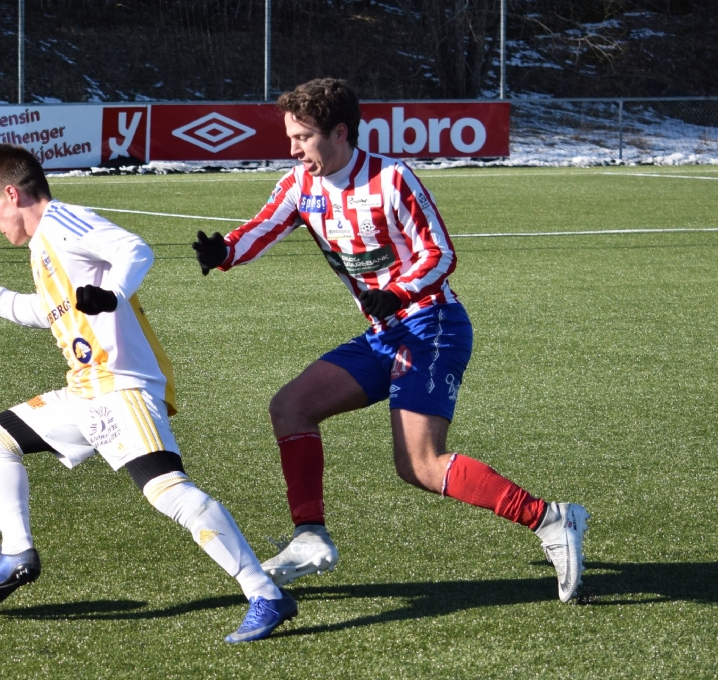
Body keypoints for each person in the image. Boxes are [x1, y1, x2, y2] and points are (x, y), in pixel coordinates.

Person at [192, 78, 590, 603]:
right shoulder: (299, 184)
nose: (293, 149)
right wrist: (224, 252)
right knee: (291, 407)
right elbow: (260, 229)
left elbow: (440, 254)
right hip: (384, 334)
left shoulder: (392, 178)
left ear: (339, 132)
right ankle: (310, 536)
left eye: (303, 137)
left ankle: (551, 519)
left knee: (420, 464)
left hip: (431, 325)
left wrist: (398, 292)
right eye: (291, 137)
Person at [0, 144, 297, 643]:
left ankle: (265, 593)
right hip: (85, 392)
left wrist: (112, 295)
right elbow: (45, 312)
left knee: (169, 491)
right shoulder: (43, 247)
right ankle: (19, 553)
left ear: (12, 194)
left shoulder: (63, 222)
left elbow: (136, 250)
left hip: (121, 386)